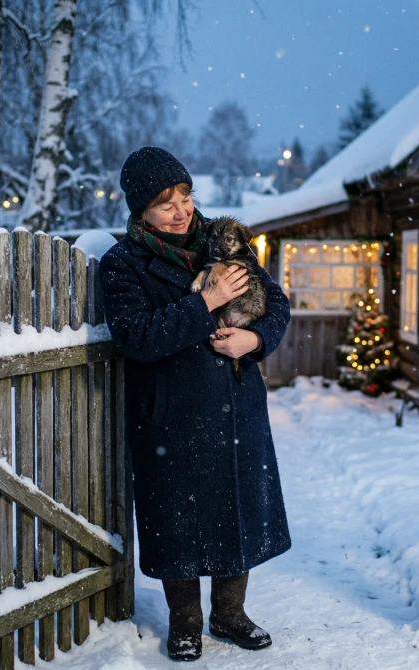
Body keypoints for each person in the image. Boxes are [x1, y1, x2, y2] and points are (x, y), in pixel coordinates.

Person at [98, 146, 292, 661]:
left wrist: (255, 342)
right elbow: (136, 336)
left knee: (237, 508)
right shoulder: (123, 263)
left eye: (185, 196)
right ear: (141, 211)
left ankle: (230, 615)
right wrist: (204, 304)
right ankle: (185, 622)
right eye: (166, 204)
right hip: (169, 415)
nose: (182, 210)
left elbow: (276, 304)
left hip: (235, 404)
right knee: (177, 523)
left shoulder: (222, 241)